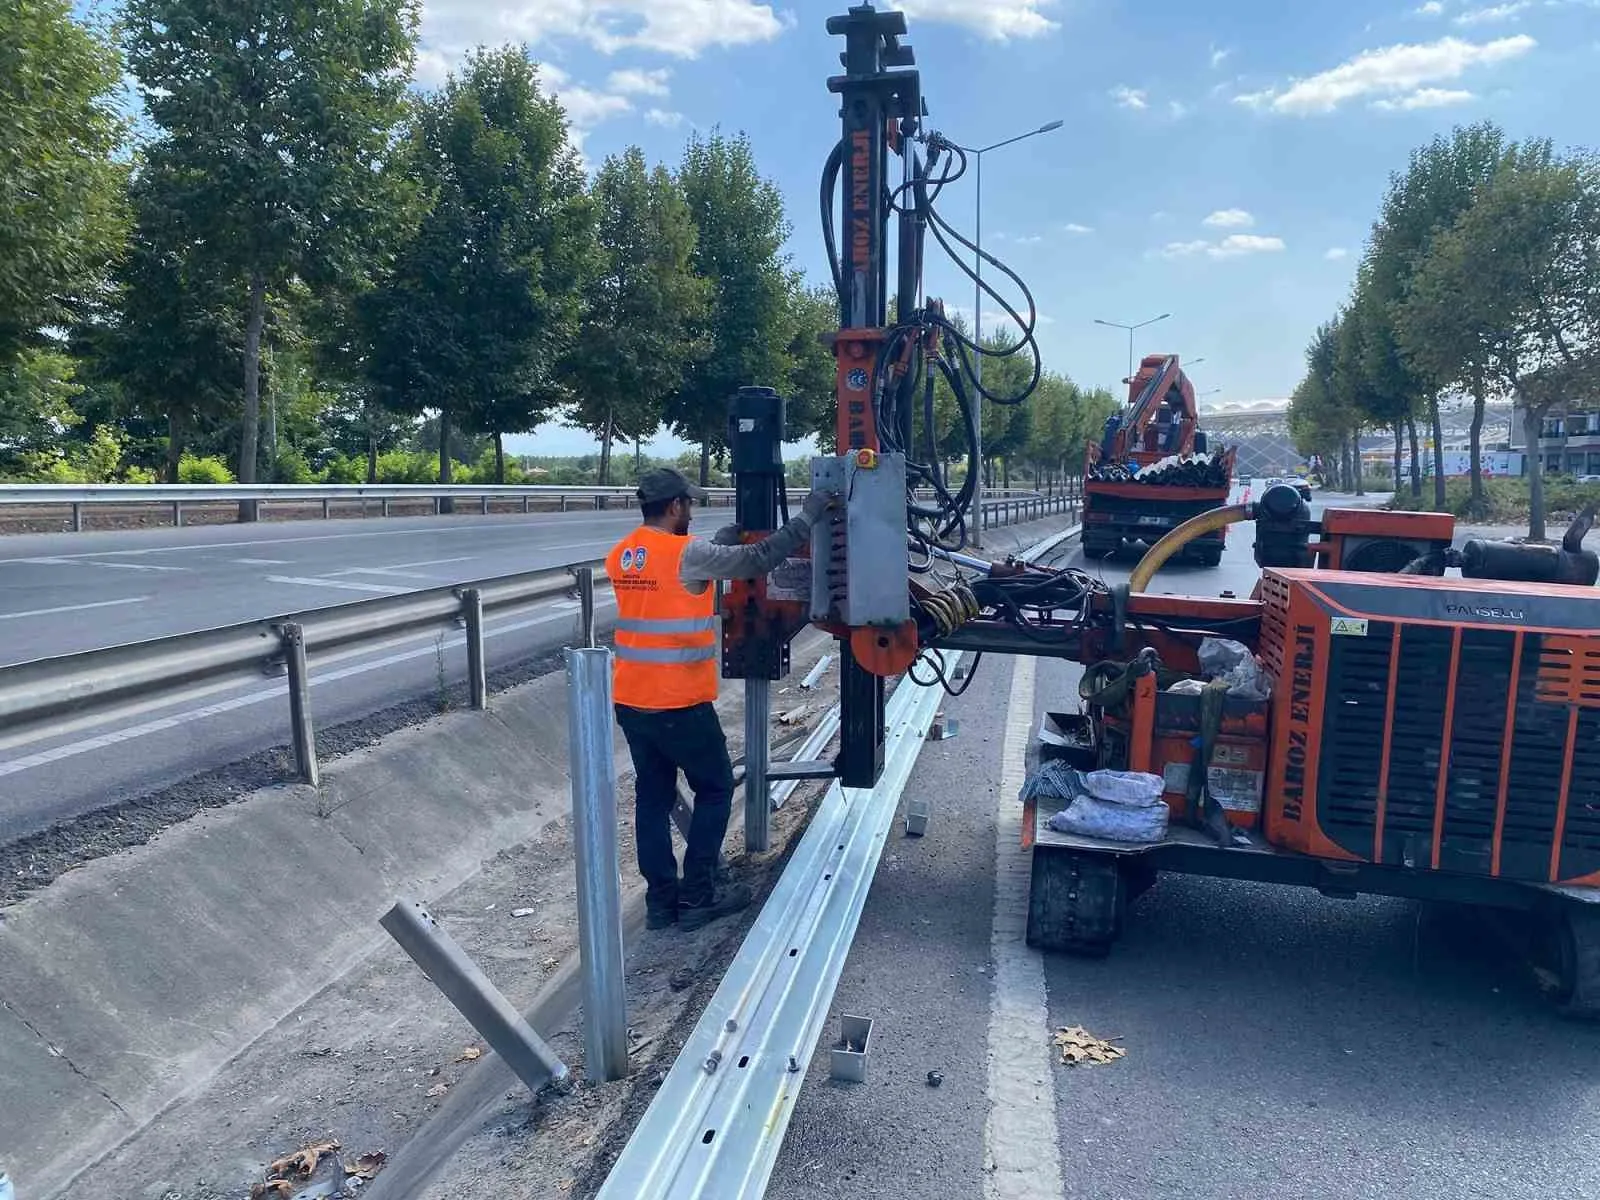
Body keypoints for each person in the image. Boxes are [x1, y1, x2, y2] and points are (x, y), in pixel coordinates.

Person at [606, 466, 837, 931]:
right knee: (713, 789)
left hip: (631, 699)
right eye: (688, 504)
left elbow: (685, 566)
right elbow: (758, 559)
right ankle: (699, 895)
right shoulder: (687, 553)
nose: (691, 510)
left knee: (652, 798)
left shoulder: (623, 553)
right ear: (675, 506)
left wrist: (726, 537)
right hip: (678, 701)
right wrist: (810, 513)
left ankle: (662, 903)